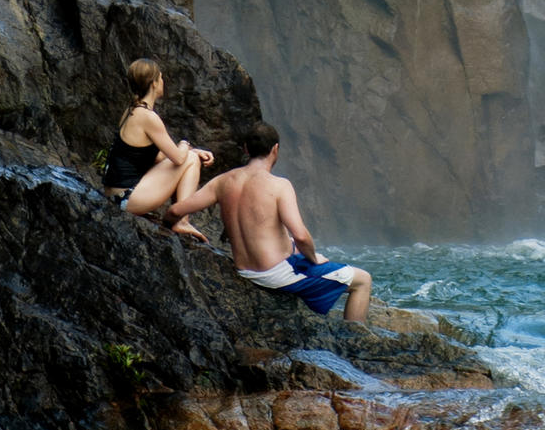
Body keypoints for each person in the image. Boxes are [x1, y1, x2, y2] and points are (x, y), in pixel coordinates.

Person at [170, 121, 373, 322]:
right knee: (363, 280)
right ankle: (353, 339)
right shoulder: (279, 186)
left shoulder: (222, 181)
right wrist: (313, 258)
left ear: (246, 149)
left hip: (245, 269)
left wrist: (174, 225)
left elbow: (175, 210)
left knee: (292, 246)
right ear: (275, 149)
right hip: (274, 275)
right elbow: (301, 235)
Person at [105, 58, 212, 240]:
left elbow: (157, 157)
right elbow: (178, 159)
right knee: (190, 160)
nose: (163, 82)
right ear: (154, 83)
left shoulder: (131, 110)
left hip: (115, 194)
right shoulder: (148, 117)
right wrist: (185, 144)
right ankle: (181, 220)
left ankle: (181, 220)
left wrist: (191, 152)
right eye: (161, 78)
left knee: (191, 157)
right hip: (127, 198)